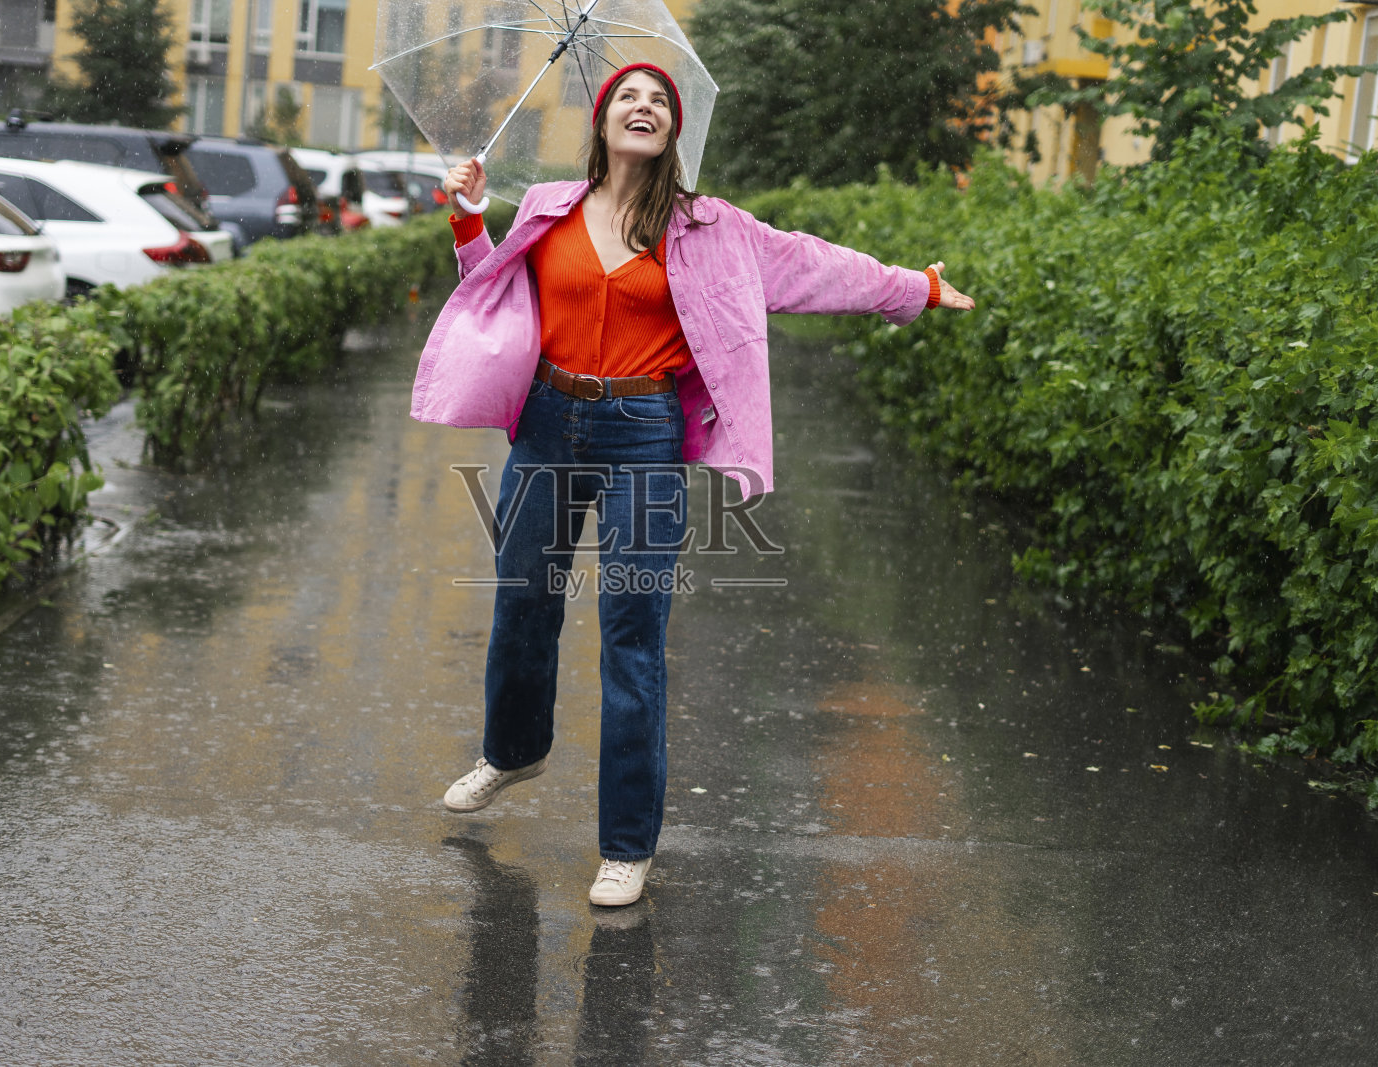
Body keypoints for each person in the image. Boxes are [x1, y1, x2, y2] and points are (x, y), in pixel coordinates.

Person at [412, 63, 974, 908]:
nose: (644, 107)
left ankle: (626, 845)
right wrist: (466, 220)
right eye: (628, 98)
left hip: (644, 436)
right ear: (602, 124)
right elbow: (492, 298)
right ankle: (514, 749)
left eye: (660, 102)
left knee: (632, 633)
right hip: (545, 423)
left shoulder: (710, 228)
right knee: (522, 601)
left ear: (674, 131)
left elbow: (815, 268)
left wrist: (914, 289)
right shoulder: (547, 207)